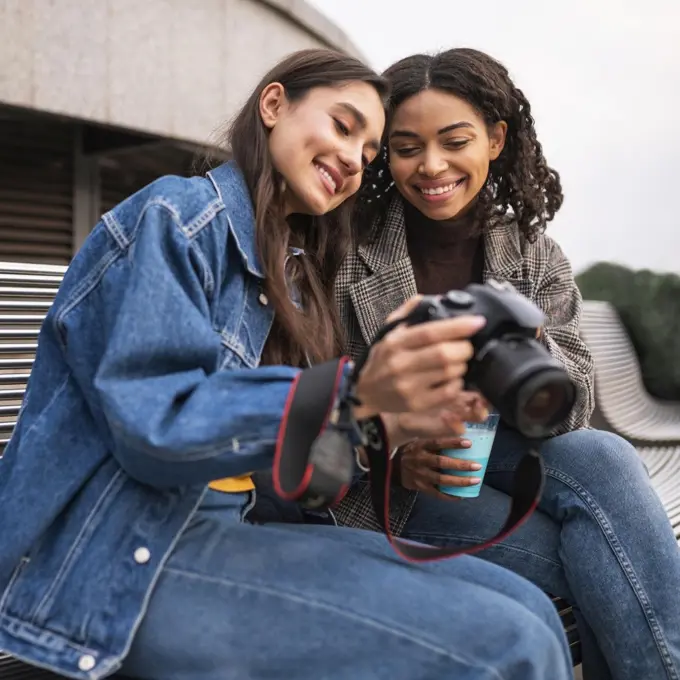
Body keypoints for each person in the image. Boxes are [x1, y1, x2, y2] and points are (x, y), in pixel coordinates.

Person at [0, 49, 574, 680]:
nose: (355, 158)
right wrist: (351, 395)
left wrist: (387, 422)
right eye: (343, 125)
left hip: (234, 531)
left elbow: (296, 480)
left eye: (371, 151)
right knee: (511, 643)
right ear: (274, 106)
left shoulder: (294, 273)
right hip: (120, 561)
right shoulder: (178, 217)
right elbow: (153, 431)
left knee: (529, 608)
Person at [333, 47, 680, 680]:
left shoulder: (531, 252)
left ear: (494, 139)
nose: (431, 165)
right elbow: (316, 394)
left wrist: (528, 344)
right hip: (411, 482)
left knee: (606, 457)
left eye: (454, 140)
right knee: (606, 559)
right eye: (407, 146)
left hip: (519, 447)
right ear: (385, 151)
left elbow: (572, 399)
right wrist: (391, 451)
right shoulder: (346, 252)